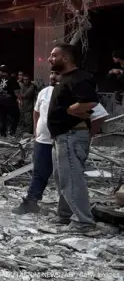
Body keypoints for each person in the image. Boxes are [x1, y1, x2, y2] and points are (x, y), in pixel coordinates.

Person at [47, 44, 98, 234]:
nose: (50, 59)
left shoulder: (79, 78)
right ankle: (65, 215)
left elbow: (91, 101)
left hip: (71, 135)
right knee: (62, 177)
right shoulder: (65, 78)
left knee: (72, 179)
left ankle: (83, 222)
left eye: (54, 55)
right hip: (62, 136)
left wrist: (71, 110)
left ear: (65, 58)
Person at [12, 72, 59, 215]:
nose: (52, 76)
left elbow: (98, 115)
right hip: (42, 139)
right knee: (39, 172)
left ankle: (68, 209)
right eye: (51, 73)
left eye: (56, 74)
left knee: (64, 176)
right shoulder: (44, 92)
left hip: (62, 141)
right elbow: (36, 111)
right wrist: (36, 130)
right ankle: (31, 201)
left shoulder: (74, 92)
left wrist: (87, 137)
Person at [0, 65, 20, 138]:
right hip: (10, 100)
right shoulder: (12, 79)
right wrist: (20, 99)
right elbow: (16, 91)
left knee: (2, 117)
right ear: (8, 71)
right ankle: (12, 132)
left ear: (1, 72)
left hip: (0, 101)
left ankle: (3, 134)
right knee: (16, 116)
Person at [17, 71, 39, 135]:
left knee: (28, 123)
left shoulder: (32, 86)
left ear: (29, 80)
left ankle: (28, 135)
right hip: (21, 107)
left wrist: (18, 95)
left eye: (27, 79)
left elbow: (25, 95)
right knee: (21, 122)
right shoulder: (22, 85)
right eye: (24, 79)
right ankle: (22, 135)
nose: (25, 81)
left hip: (29, 108)